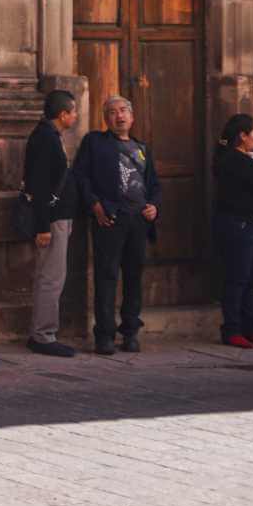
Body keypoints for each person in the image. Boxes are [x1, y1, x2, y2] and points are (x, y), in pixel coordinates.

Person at [74, 95, 160, 355]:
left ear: (132, 117)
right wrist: (94, 204)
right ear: (106, 119)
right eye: (112, 112)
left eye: (123, 111)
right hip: (110, 219)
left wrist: (155, 205)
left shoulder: (142, 147)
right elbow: (80, 175)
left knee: (134, 277)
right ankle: (104, 335)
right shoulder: (94, 142)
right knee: (106, 276)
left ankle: (131, 331)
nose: (118, 115)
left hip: (139, 221)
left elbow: (154, 185)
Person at [23, 89, 79, 357]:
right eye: (74, 111)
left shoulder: (49, 135)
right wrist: (43, 226)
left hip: (58, 217)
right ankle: (43, 335)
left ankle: (42, 332)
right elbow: (40, 184)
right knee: (51, 277)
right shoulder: (46, 138)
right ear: (63, 114)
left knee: (52, 275)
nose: (76, 116)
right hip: (52, 219)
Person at [211, 114, 253, 349]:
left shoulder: (250, 158)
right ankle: (231, 329)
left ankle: (251, 328)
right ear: (242, 136)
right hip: (239, 226)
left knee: (251, 280)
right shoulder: (233, 160)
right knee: (237, 278)